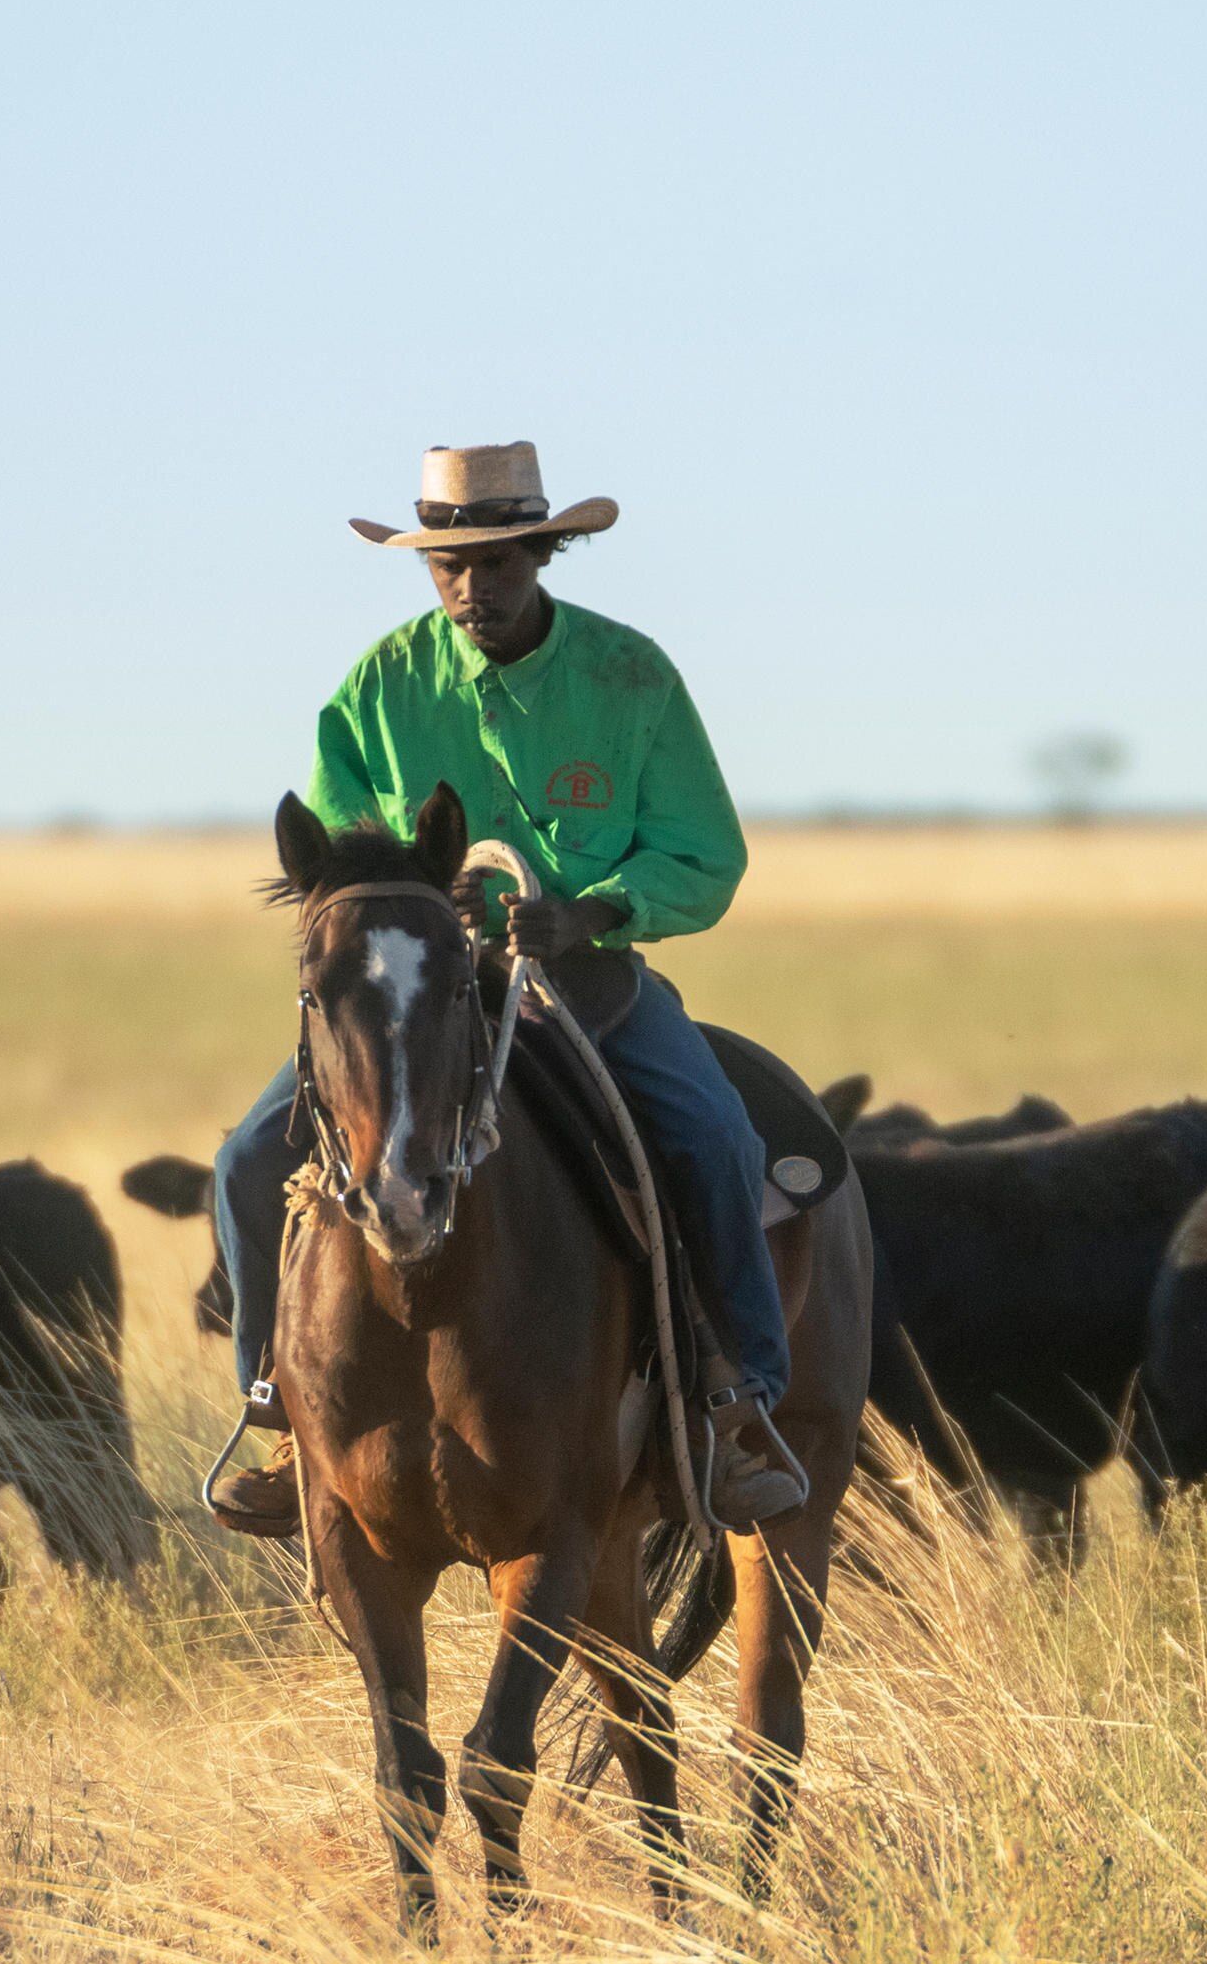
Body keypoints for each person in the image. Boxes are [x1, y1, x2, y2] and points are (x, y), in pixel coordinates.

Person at [206, 441, 813, 1539]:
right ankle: (276, 1412)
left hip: (588, 985)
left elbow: (704, 854)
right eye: (449, 566)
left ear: (543, 553)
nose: (471, 587)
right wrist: (413, 908)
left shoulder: (630, 678)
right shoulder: (379, 686)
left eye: (495, 562)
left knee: (715, 1136)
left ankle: (737, 1407)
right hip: (420, 991)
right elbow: (342, 856)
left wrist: (592, 910)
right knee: (247, 1159)